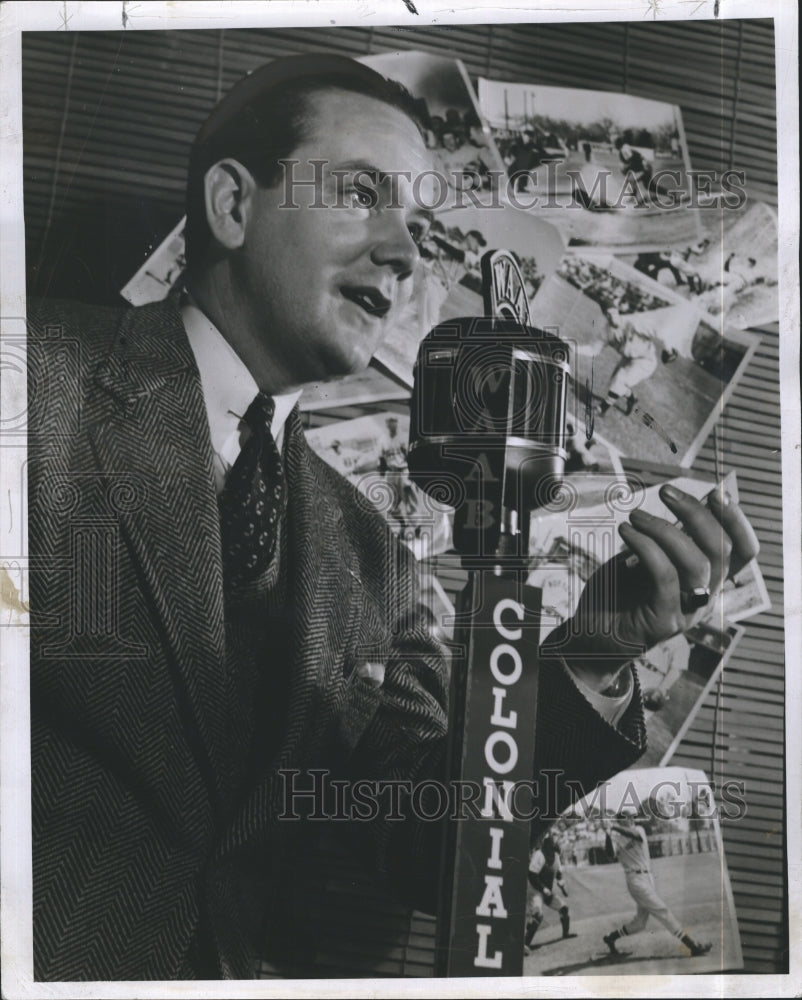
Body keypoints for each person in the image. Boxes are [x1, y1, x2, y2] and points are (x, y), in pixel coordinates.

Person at [27, 53, 758, 981]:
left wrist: (592, 651)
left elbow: (429, 845)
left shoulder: (379, 557)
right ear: (232, 206)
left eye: (416, 223)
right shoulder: (31, 382)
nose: (408, 253)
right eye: (362, 193)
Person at [602, 809, 712, 957]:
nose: (632, 820)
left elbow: (635, 836)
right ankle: (692, 946)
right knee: (662, 911)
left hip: (648, 878)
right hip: (635, 880)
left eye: (632, 818)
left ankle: (611, 938)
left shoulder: (638, 830)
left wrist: (613, 827)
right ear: (622, 820)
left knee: (640, 923)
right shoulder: (616, 839)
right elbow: (609, 855)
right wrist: (608, 833)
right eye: (628, 818)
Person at [524, 835, 571, 953]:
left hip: (547, 890)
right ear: (549, 847)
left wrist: (560, 881)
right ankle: (525, 944)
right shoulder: (539, 855)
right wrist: (543, 888)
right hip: (535, 890)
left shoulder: (556, 856)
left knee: (564, 908)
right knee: (538, 915)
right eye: (554, 845)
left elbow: (558, 872)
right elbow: (532, 875)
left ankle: (566, 934)